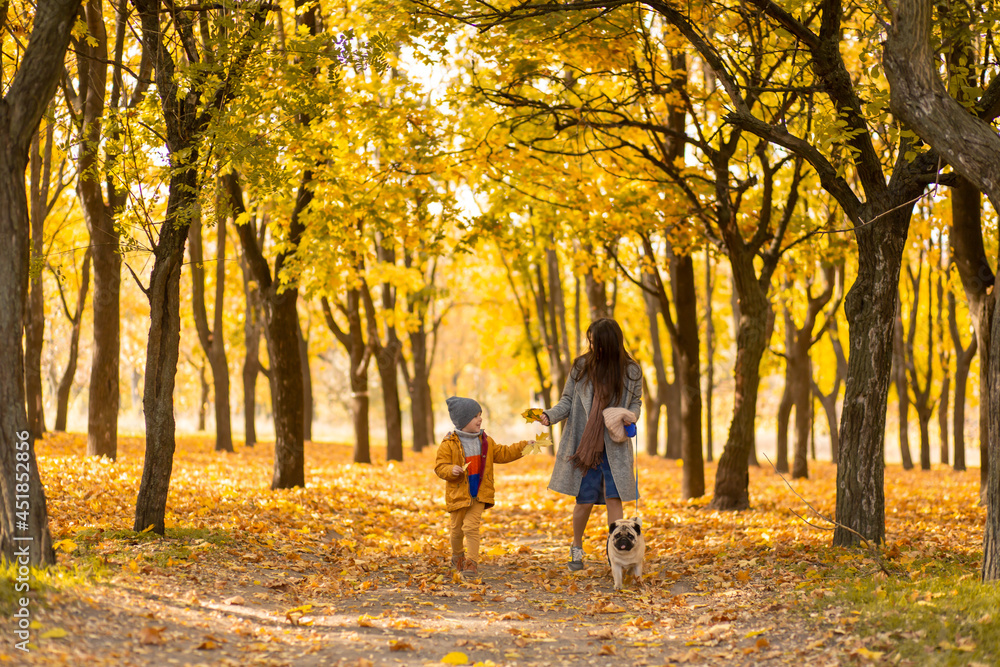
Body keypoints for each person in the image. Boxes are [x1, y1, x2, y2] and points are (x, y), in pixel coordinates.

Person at [540, 318, 642, 571]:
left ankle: (615, 554)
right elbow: (567, 400)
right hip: (586, 446)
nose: (592, 346)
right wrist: (550, 416)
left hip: (615, 445)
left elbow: (636, 402)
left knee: (613, 497)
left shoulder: (631, 370)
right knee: (584, 500)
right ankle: (576, 546)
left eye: (597, 342)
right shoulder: (581, 367)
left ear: (610, 342)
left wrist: (629, 416)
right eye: (591, 341)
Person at [434, 396, 533, 580]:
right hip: (458, 494)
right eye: (475, 416)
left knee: (471, 528)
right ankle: (457, 557)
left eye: (480, 415)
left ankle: (471, 563)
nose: (480, 419)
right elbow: (440, 467)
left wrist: (523, 447)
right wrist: (450, 469)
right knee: (456, 530)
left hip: (479, 492)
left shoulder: (485, 441)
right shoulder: (449, 443)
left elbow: (503, 453)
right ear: (463, 421)